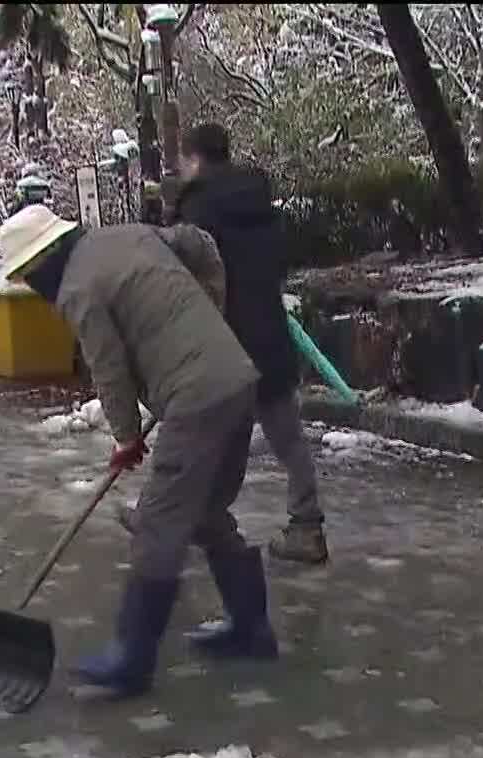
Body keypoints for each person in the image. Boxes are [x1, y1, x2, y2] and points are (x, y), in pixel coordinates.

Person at [0, 204, 277, 699]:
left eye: (25, 275)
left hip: (195, 398)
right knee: (207, 512)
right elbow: (200, 242)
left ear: (41, 262)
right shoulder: (129, 235)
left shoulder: (77, 288)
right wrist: (212, 307)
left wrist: (126, 436)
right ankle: (251, 629)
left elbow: (108, 368)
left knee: (159, 523)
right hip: (235, 379)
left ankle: (132, 658)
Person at [126, 122, 330, 565]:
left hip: (221, 341)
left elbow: (183, 278)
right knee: (278, 438)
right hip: (268, 334)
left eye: (182, 159)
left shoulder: (198, 210)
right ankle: (303, 525)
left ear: (195, 160)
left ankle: (170, 520)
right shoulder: (260, 203)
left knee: (198, 438)